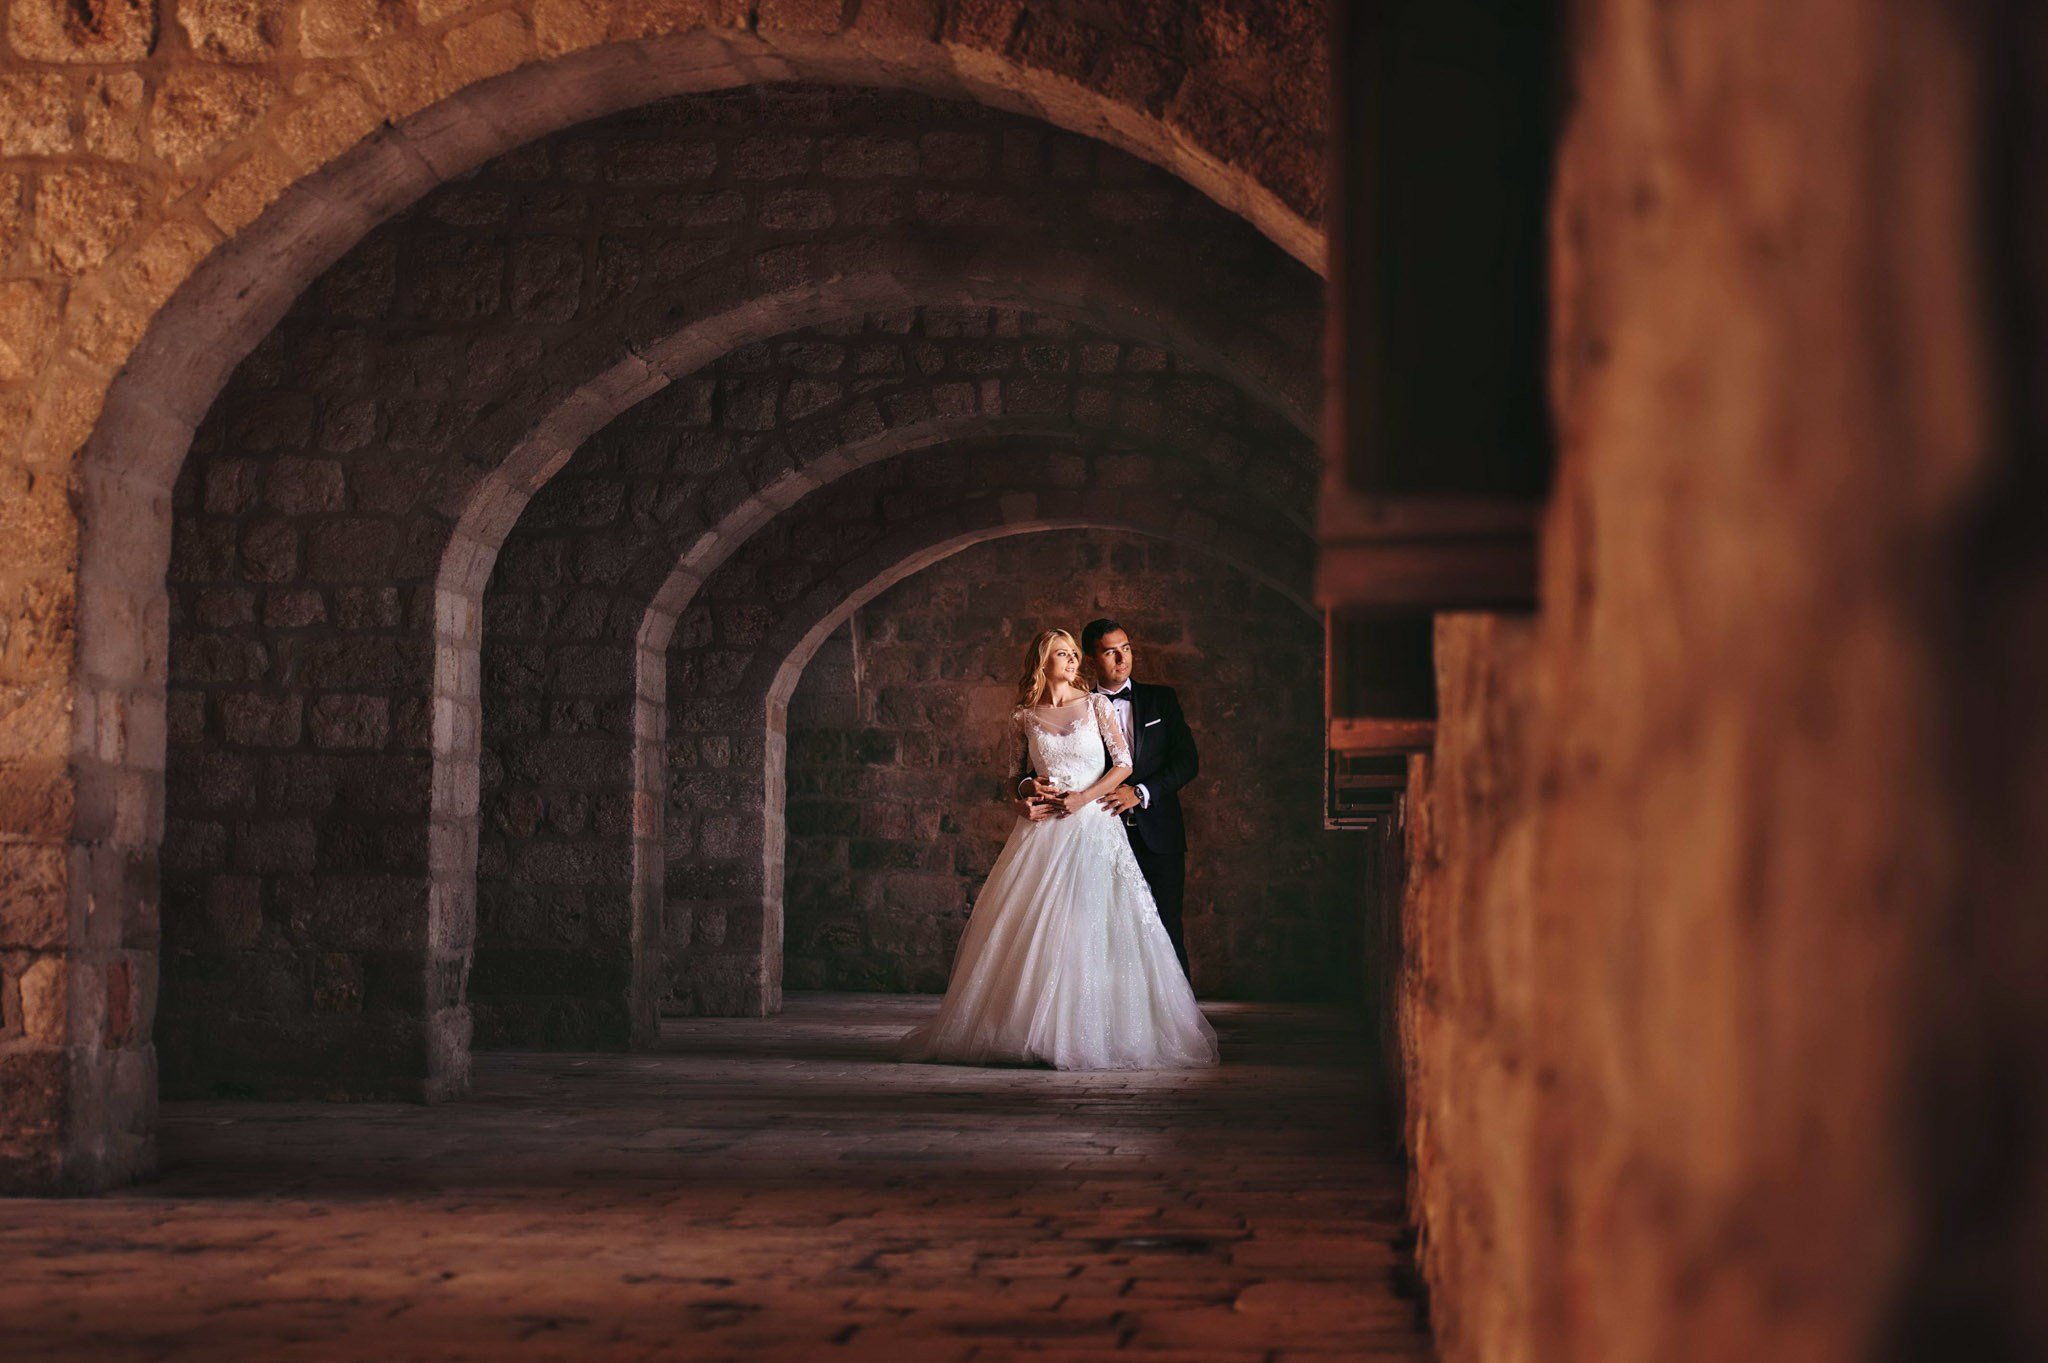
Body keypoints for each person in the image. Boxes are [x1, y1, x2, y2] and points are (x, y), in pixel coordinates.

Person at [898, 628, 1217, 1070]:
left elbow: (1124, 764)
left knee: (1100, 927)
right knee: (1042, 930)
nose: (1072, 661)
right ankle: (1034, 1032)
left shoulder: (1097, 706)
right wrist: (1026, 792)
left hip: (1094, 826)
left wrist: (1083, 798)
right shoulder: (1022, 717)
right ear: (1042, 662)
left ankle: (1100, 1032)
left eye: (1073, 654)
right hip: (1043, 833)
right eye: (1062, 654)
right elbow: (1014, 777)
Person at [1022, 618, 1198, 977]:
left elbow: (1187, 762)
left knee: (1165, 928)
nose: (1123, 658)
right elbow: (1039, 766)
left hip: (1157, 831)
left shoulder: (1161, 699)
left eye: (1126, 649)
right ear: (1090, 659)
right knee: (1097, 932)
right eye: (1111, 652)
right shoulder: (1082, 706)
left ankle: (1175, 1008)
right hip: (1095, 831)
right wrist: (1028, 789)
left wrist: (1140, 792)